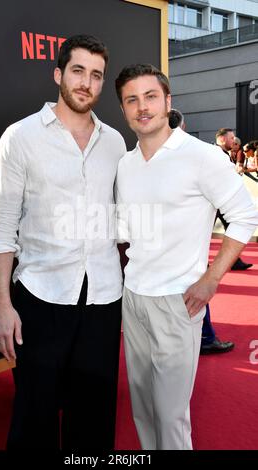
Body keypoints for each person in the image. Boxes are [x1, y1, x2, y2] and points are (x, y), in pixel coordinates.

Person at [0, 34, 126, 450]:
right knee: (34, 417)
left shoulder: (115, 142)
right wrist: (1, 306)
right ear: (58, 74)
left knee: (95, 419)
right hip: (40, 297)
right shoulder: (21, 137)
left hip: (102, 298)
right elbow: (1, 224)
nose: (87, 83)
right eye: (78, 71)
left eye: (97, 75)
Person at [115, 64, 258, 450]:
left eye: (150, 96)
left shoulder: (202, 156)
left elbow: (246, 216)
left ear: (167, 101)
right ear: (124, 109)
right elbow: (126, 231)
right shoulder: (125, 165)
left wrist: (211, 279)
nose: (142, 107)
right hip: (134, 297)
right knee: (142, 409)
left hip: (180, 301)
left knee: (170, 414)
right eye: (132, 99)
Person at [168, 109, 234, 355]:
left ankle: (202, 337)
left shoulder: (149, 157)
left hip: (169, 250)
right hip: (185, 251)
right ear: (183, 127)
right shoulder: (201, 157)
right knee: (193, 292)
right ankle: (205, 337)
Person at [215, 128, 253, 271]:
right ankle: (200, 264)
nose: (234, 141)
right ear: (223, 139)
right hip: (212, 202)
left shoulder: (225, 154)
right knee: (203, 234)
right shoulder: (215, 154)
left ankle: (233, 260)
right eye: (231, 138)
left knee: (233, 228)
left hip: (222, 202)